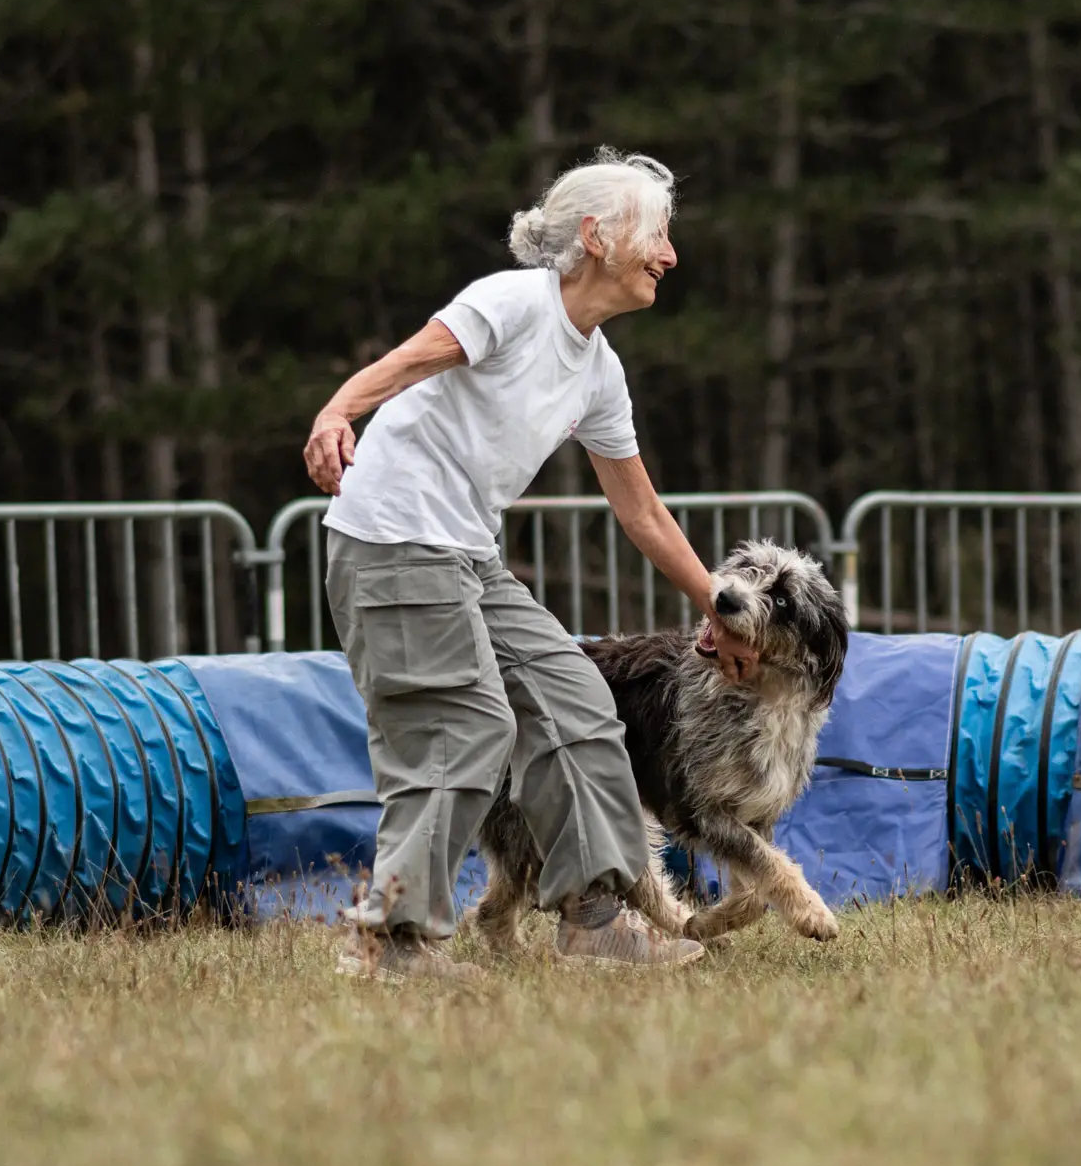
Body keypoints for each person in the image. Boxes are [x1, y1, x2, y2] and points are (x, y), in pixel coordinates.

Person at [304, 148, 759, 981]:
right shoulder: (511, 302)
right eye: (657, 236)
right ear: (596, 236)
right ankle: (388, 942)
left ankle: (597, 919)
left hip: (467, 554)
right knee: (461, 726)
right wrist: (339, 409)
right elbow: (412, 358)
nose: (670, 256)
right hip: (393, 541)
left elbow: (643, 510)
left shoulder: (598, 369)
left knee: (577, 697)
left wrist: (716, 609)